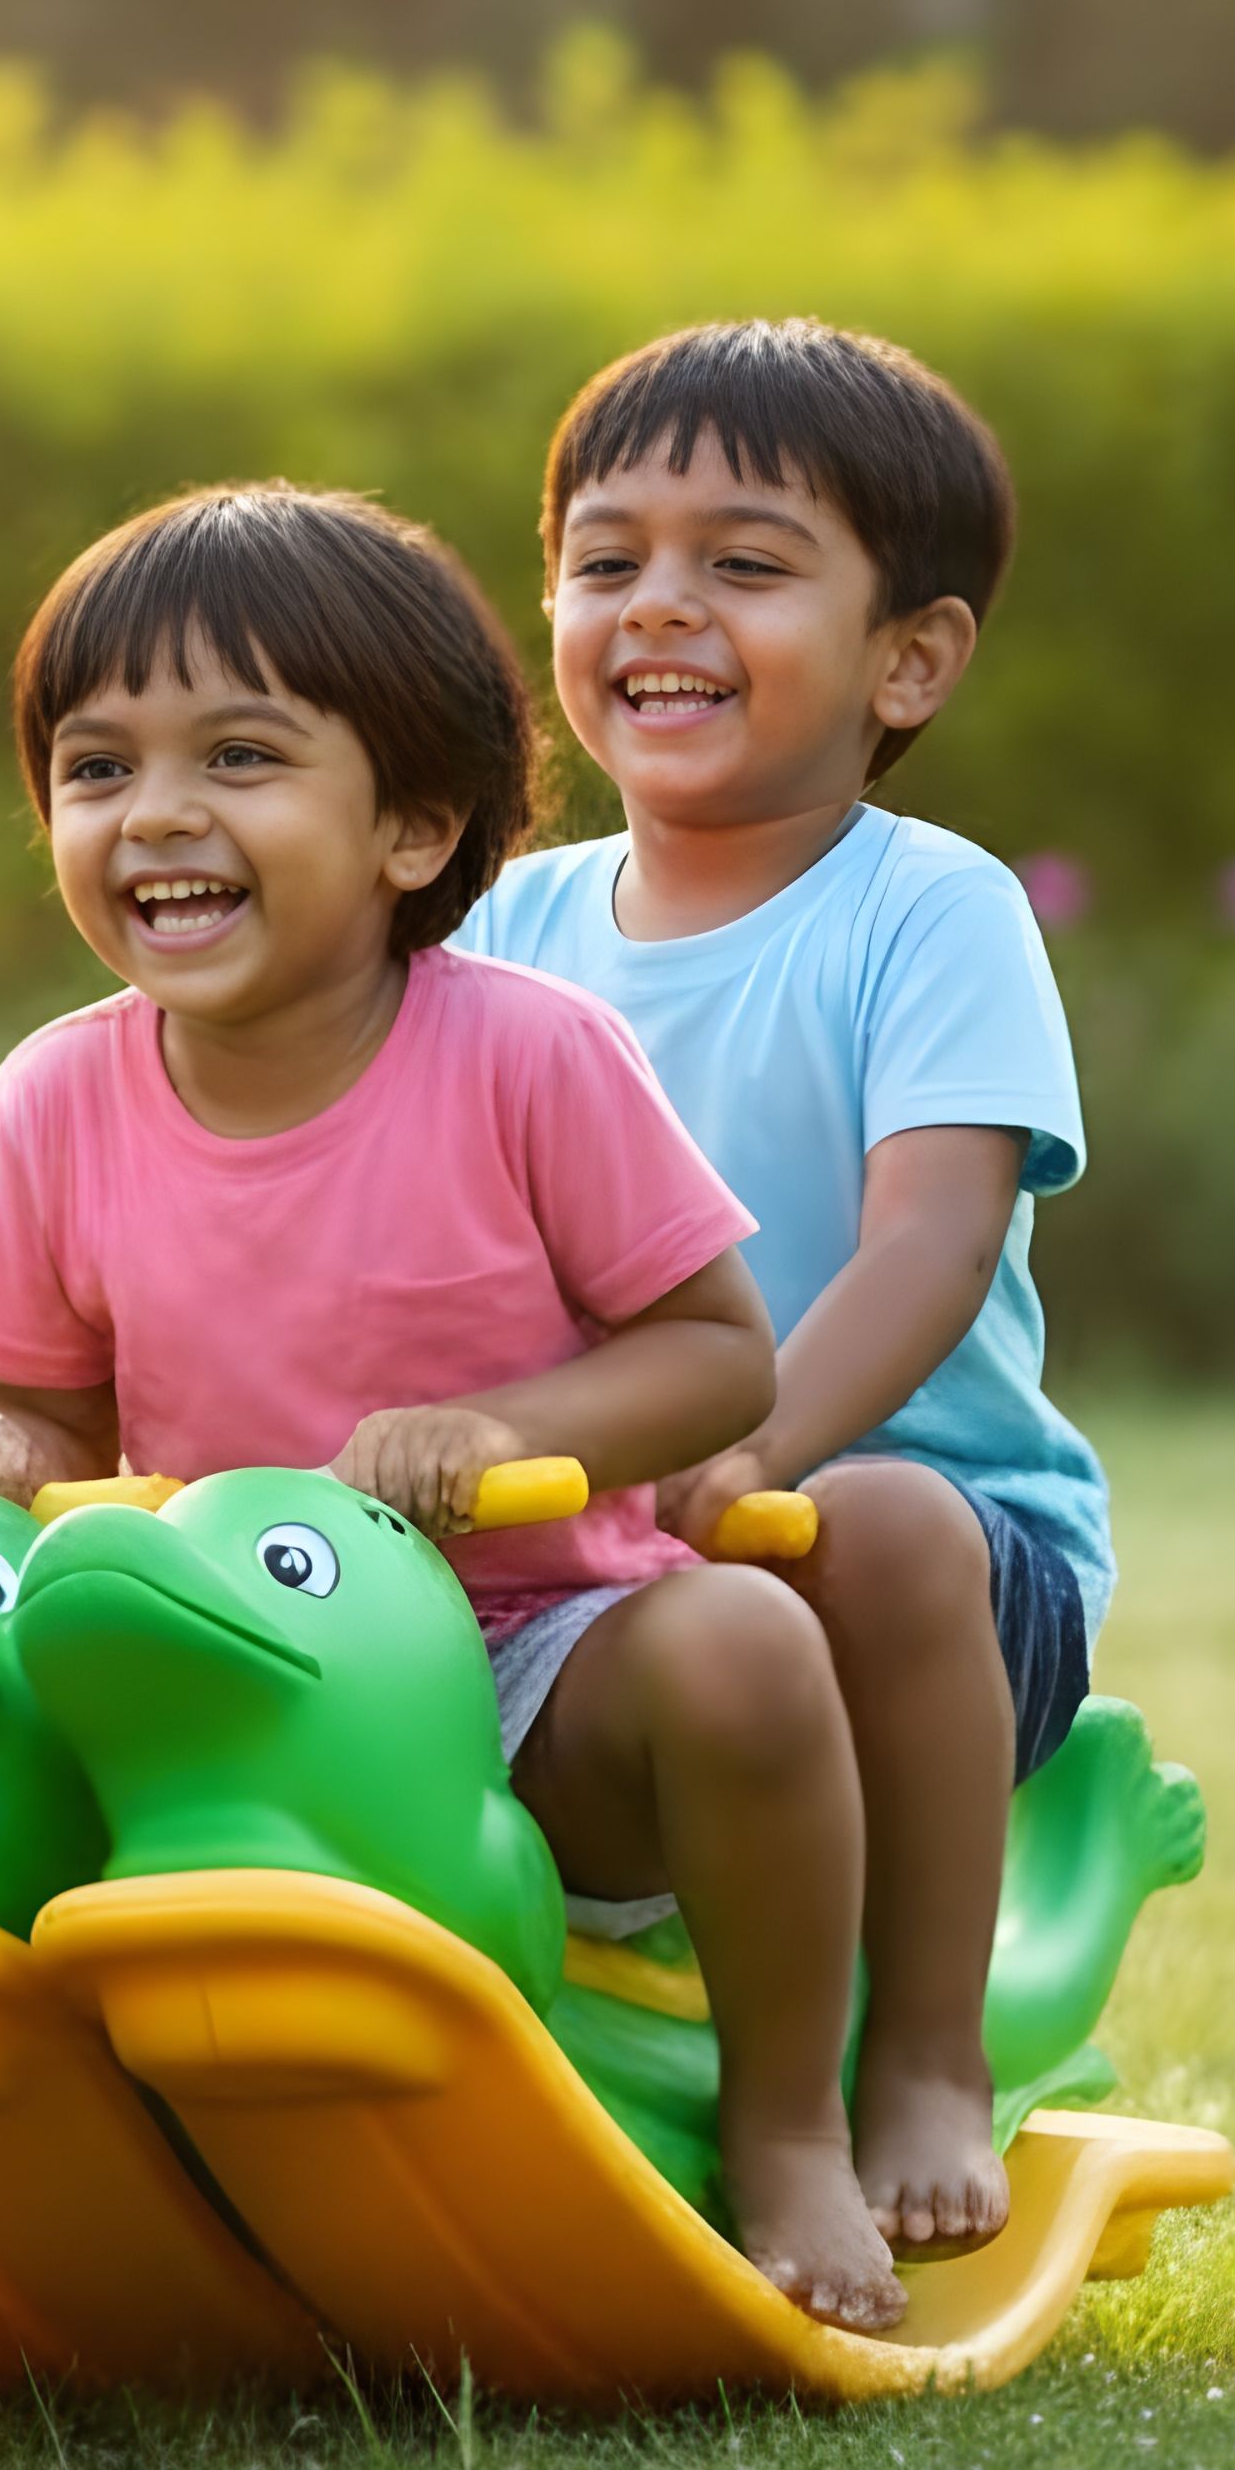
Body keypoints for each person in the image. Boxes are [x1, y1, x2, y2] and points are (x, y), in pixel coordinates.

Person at [0, 479, 961, 2326]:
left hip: (525, 1658)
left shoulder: (529, 1056)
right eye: (97, 770)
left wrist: (511, 1430)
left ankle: (786, 2138)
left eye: (242, 757)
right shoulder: (54, 1096)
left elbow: (720, 1358)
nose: (158, 815)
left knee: (742, 1642)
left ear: (416, 828)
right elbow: (39, 1408)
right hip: (210, 1681)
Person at [455, 319, 1103, 2264]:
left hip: (938, 1560)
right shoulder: (503, 928)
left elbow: (930, 1236)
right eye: (606, 559)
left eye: (743, 563)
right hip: (611, 1548)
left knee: (887, 1522)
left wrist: (756, 1447)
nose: (660, 605)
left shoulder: (929, 908)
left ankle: (919, 2058)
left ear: (909, 657)